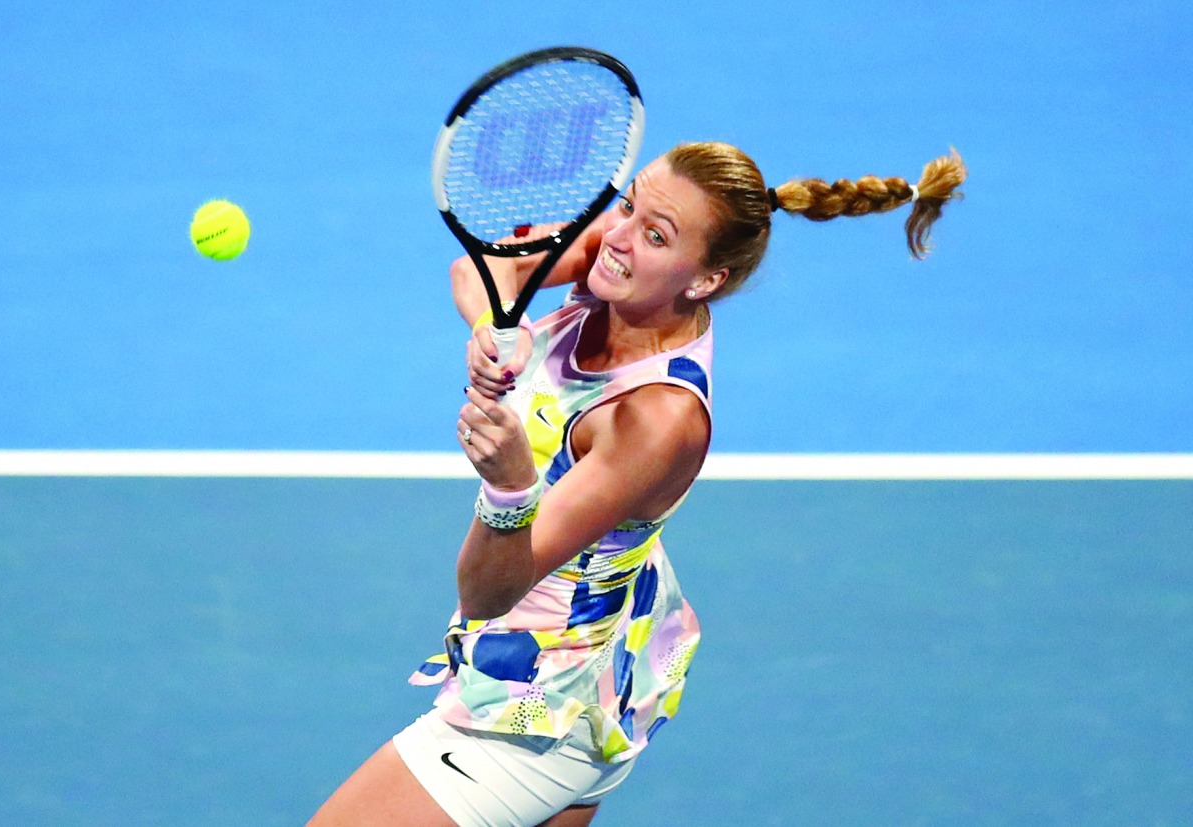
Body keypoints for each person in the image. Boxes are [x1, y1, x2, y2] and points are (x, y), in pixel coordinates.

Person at [307, 141, 967, 827]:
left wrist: (507, 486)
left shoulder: (655, 419)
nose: (617, 237)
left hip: (536, 709)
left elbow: (487, 590)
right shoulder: (620, 256)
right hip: (610, 654)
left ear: (705, 279)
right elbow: (483, 267)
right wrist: (494, 325)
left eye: (656, 234)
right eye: (629, 207)